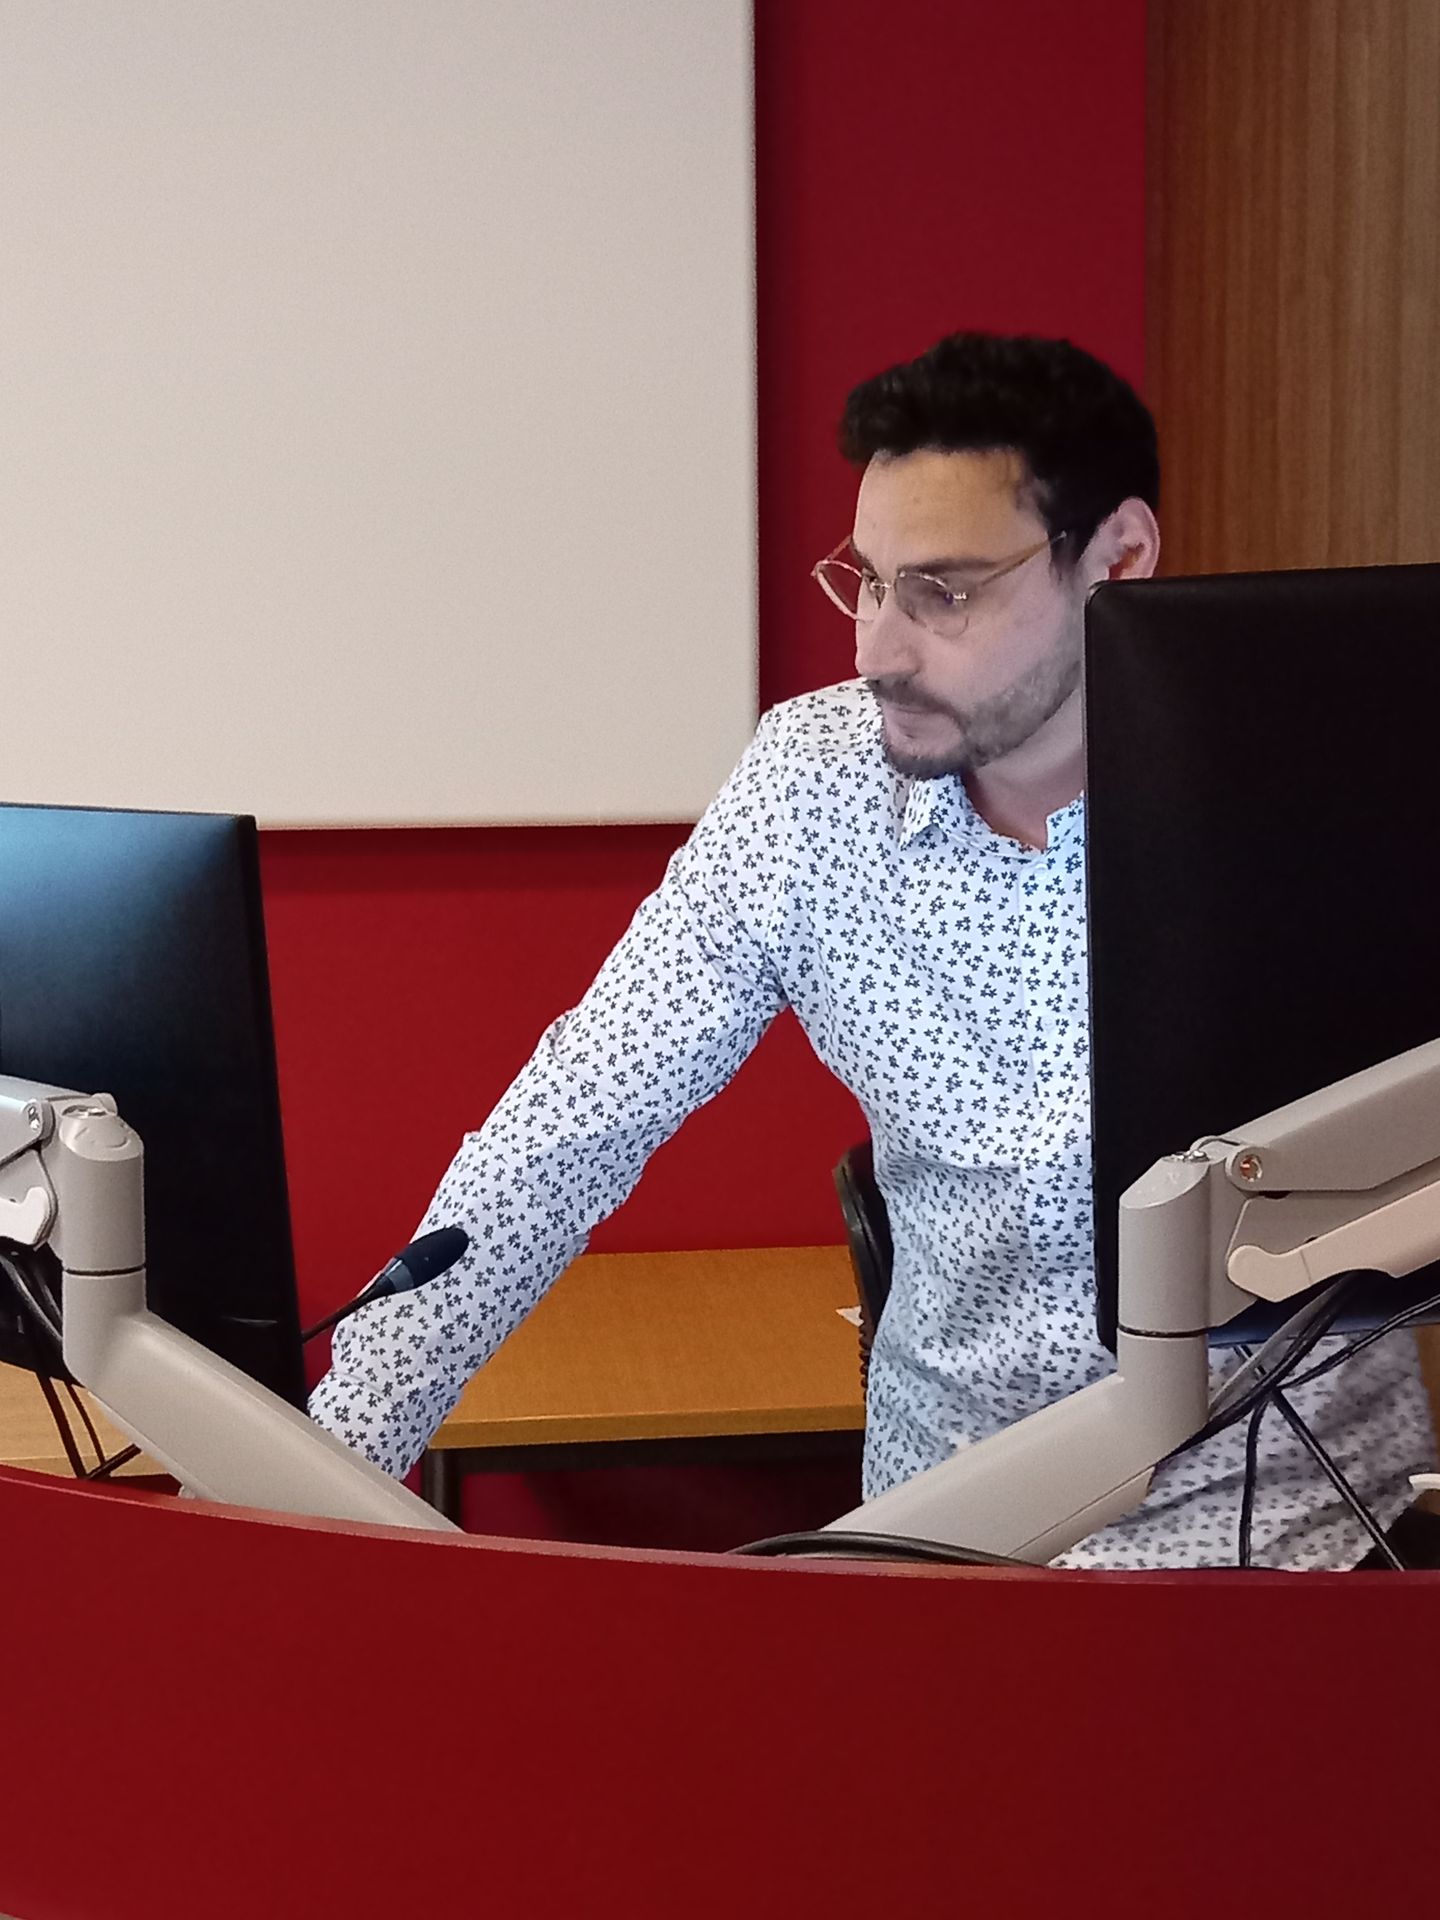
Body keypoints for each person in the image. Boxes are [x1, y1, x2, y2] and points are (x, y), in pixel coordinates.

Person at [308, 331, 1435, 1569]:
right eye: (868, 582)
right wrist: (324, 1473)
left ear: (1115, 558)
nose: (877, 651)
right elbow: (571, 1125)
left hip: (1285, 1536)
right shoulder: (810, 786)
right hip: (945, 1532)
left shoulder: (1306, 780)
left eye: (944, 592)